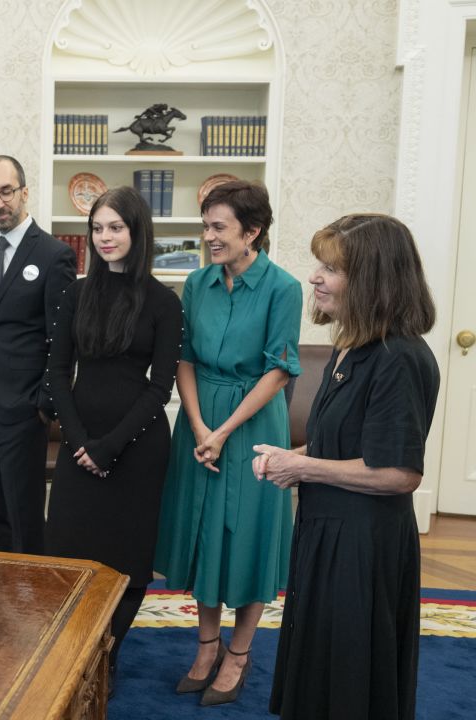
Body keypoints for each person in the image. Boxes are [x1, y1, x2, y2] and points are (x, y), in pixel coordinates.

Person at [257, 214, 440, 720]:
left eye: (330, 268)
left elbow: (399, 474)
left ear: (373, 281)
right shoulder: (351, 347)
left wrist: (303, 469)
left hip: (364, 543)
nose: (314, 276)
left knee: (351, 679)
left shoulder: (398, 358)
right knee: (322, 667)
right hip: (327, 530)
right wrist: (289, 458)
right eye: (319, 263)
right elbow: (337, 441)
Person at [152, 180, 302, 705]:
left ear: (252, 232)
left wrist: (222, 430)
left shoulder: (284, 288)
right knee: (203, 535)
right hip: (199, 422)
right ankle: (205, 644)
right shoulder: (196, 284)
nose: (208, 236)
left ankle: (239, 653)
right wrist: (196, 425)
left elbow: (280, 371)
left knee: (248, 537)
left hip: (254, 424)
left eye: (219, 228)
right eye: (205, 226)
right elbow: (185, 358)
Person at [43, 187, 183, 683]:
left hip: (137, 447)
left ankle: (108, 653)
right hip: (81, 442)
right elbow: (58, 373)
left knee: (128, 560)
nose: (104, 237)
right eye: (97, 228)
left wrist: (109, 446)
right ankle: (76, 646)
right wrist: (80, 441)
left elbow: (160, 387)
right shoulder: (75, 293)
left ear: (136, 231)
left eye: (115, 228)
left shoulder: (164, 301)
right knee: (65, 550)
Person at [0, 155, 77, 554]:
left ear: (24, 193)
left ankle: (34, 607)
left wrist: (45, 402)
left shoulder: (54, 255)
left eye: (6, 192)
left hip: (24, 408)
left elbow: (62, 337)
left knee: (24, 515)